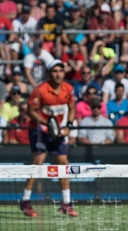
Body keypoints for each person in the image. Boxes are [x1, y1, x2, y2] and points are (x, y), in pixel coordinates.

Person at [20, 59, 77, 218]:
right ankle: (25, 201)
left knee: (64, 163)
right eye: (54, 71)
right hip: (39, 130)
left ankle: (66, 203)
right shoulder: (40, 90)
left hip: (57, 132)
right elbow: (31, 111)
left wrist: (69, 126)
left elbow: (72, 108)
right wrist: (47, 124)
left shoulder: (68, 89)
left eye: (60, 71)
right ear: (49, 73)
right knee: (38, 162)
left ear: (63, 73)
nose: (57, 74)